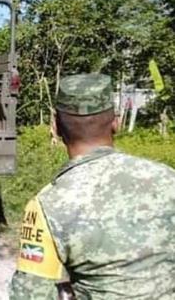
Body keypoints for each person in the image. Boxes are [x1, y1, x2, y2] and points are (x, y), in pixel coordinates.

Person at [9, 74, 175, 299]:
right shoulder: (167, 179)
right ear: (116, 122)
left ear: (56, 127)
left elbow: (29, 295)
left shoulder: (46, 207)